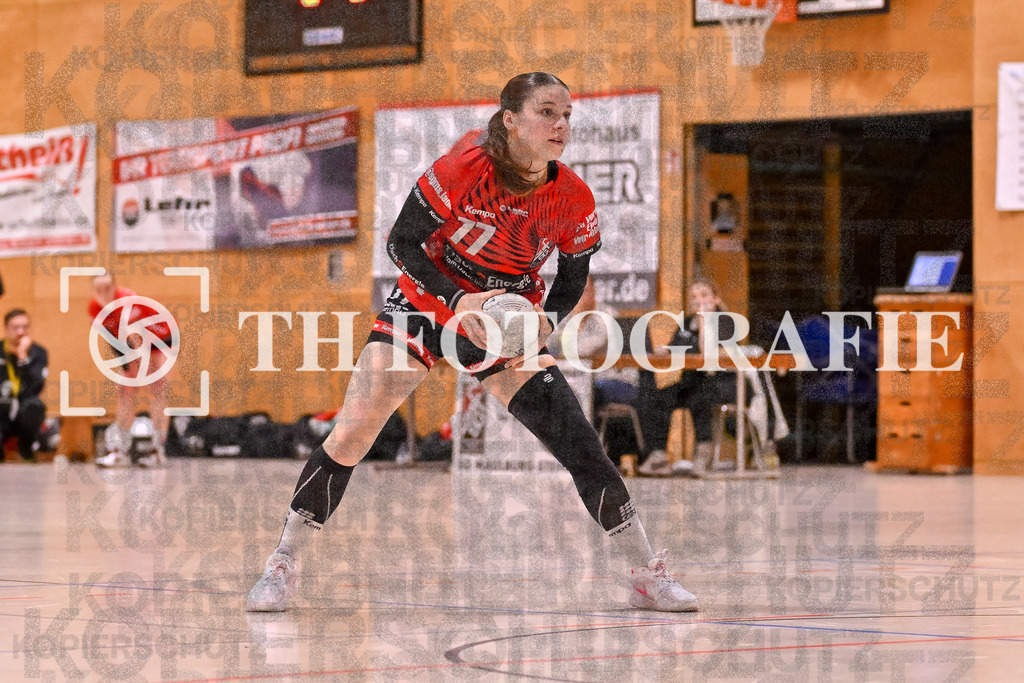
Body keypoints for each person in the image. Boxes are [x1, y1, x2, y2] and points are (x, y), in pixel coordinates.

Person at [247, 73, 698, 613]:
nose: (561, 125)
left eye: (568, 115)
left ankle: (647, 573)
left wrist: (541, 324)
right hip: (428, 300)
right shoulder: (465, 164)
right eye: (548, 112)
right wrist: (456, 301)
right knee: (354, 431)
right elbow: (401, 241)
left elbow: (573, 278)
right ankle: (283, 562)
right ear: (510, 120)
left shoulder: (572, 196)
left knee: (578, 441)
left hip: (504, 320)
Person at [637, 280, 738, 475]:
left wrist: (704, 322)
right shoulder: (685, 323)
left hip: (719, 382)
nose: (698, 301)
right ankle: (658, 455)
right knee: (656, 396)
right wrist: (664, 350)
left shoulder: (725, 321)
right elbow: (675, 347)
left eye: (704, 295)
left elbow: (708, 353)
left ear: (715, 298)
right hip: (689, 380)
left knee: (700, 395)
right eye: (694, 297)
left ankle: (703, 452)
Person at [89, 274, 172, 469]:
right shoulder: (94, 308)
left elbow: (137, 340)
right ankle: (119, 451)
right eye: (99, 290)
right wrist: (126, 367)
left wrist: (147, 374)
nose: (104, 294)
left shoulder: (127, 303)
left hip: (161, 340)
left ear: (115, 287)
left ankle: (157, 450)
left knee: (158, 390)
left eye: (108, 288)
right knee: (124, 392)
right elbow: (111, 337)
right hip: (132, 344)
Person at [0, 310, 48, 462]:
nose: (21, 332)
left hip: (23, 408)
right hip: (1, 409)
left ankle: (26, 449)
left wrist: (23, 358)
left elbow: (36, 388)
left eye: (25, 327)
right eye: (16, 327)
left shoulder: (38, 352)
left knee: (35, 405)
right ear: (6, 328)